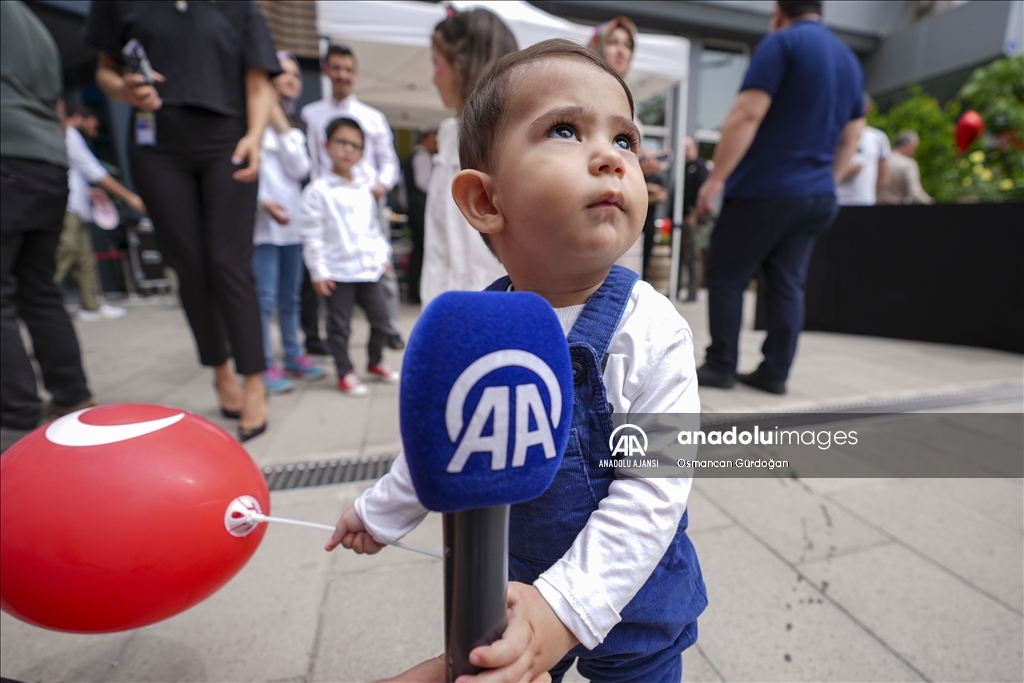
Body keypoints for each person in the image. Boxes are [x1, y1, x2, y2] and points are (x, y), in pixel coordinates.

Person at [326, 40, 706, 682]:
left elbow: (655, 493)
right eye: (565, 129)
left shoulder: (654, 329)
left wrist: (563, 610)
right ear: (485, 201)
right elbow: (447, 447)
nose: (610, 160)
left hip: (634, 597)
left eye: (625, 141)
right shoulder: (475, 330)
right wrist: (381, 511)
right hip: (511, 588)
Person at [85, 0, 280, 441]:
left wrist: (255, 135)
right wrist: (125, 91)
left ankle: (253, 380)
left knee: (229, 262)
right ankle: (219, 371)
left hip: (227, 139)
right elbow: (105, 71)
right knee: (189, 265)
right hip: (156, 146)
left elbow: (259, 82)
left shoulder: (240, 7)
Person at [695, 0, 864, 396]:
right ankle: (775, 371)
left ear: (778, 10)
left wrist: (716, 179)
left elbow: (747, 114)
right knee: (787, 283)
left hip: (765, 188)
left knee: (726, 274)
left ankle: (721, 364)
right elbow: (852, 136)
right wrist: (827, 180)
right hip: (816, 195)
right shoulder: (849, 60)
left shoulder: (782, 43)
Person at [2, 0, 94, 436]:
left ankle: (15, 420)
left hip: (7, 150)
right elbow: (56, 107)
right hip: (46, 162)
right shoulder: (33, 25)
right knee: (39, 289)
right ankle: (73, 396)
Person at [301, 44, 405, 350]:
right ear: (326, 70)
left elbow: (389, 162)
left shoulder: (371, 117)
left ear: (355, 74)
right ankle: (321, 335)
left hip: (365, 204)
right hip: (328, 203)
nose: (342, 75)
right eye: (336, 68)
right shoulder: (312, 114)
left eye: (347, 69)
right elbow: (309, 159)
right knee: (324, 270)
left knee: (381, 271)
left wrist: (380, 187)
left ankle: (390, 329)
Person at [418, 7, 518, 307]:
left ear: (459, 64)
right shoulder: (451, 133)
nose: (434, 78)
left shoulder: (483, 139)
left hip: (477, 300)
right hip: (457, 296)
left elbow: (459, 247)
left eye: (437, 65)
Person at [300, 117, 400, 397]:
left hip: (368, 269)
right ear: (326, 145)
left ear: (361, 153)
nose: (348, 150)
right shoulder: (317, 192)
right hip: (337, 272)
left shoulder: (364, 191)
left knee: (381, 321)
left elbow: (374, 229)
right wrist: (318, 271)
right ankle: (345, 372)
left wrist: (382, 258)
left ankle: (375, 360)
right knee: (339, 327)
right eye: (342, 142)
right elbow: (312, 236)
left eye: (355, 146)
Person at [253, 51, 323, 395]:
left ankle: (293, 356)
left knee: (290, 297)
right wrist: (260, 203)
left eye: (296, 74)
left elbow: (300, 169)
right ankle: (263, 363)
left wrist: (280, 123)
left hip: (291, 227)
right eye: (284, 73)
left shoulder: (290, 127)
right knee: (263, 299)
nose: (293, 79)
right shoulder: (248, 124)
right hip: (261, 228)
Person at [58, 103, 145, 322]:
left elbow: (76, 173)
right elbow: (93, 170)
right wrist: (130, 197)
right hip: (67, 207)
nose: (95, 130)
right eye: (93, 125)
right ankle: (34, 301)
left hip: (78, 207)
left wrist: (89, 192)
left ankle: (92, 306)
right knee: (64, 254)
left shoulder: (67, 138)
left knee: (85, 260)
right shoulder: (68, 134)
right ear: (79, 117)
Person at [589, 16, 647, 278]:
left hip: (623, 209)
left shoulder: (630, 102)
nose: (622, 50)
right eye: (613, 42)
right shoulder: (582, 95)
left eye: (628, 44)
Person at [401, 129, 436, 304]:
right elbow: (425, 183)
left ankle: (414, 288)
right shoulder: (422, 156)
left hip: (414, 209)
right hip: (420, 209)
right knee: (422, 250)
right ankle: (415, 290)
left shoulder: (414, 157)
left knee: (418, 250)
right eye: (432, 139)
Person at [836, 98, 891, 206]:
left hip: (865, 204)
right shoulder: (831, 135)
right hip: (835, 205)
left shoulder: (878, 137)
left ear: (867, 108)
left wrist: (868, 194)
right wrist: (842, 172)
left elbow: (884, 178)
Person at [679, 136, 709, 302]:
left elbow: (703, 193)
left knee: (692, 256)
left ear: (694, 148)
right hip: (679, 217)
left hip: (691, 218)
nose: (685, 150)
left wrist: (694, 215)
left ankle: (692, 291)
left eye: (687, 147)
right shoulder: (681, 167)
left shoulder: (700, 167)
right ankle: (676, 288)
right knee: (679, 255)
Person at [878, 130, 933, 205]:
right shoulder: (908, 164)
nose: (914, 152)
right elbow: (915, 193)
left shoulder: (880, 161)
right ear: (906, 145)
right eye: (914, 148)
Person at [638, 148, 668, 283]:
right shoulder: (637, 174)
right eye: (645, 159)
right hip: (637, 219)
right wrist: (650, 189)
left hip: (649, 220)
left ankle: (644, 276)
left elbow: (662, 196)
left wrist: (645, 192)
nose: (648, 162)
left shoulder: (659, 177)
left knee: (647, 252)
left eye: (651, 159)